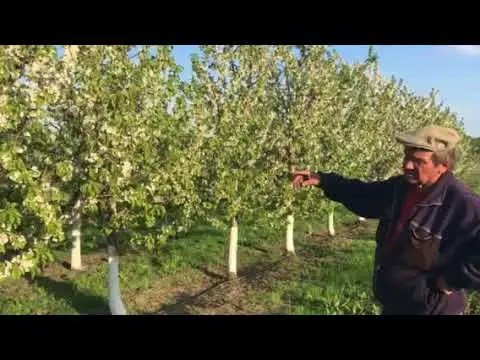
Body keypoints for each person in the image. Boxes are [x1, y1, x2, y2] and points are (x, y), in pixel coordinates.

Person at [292, 125, 480, 315]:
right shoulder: (401, 188)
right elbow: (364, 195)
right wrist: (324, 181)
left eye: (418, 161)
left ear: (443, 165)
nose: (407, 165)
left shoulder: (462, 204)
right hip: (396, 303)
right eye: (406, 157)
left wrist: (450, 280)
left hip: (431, 309)